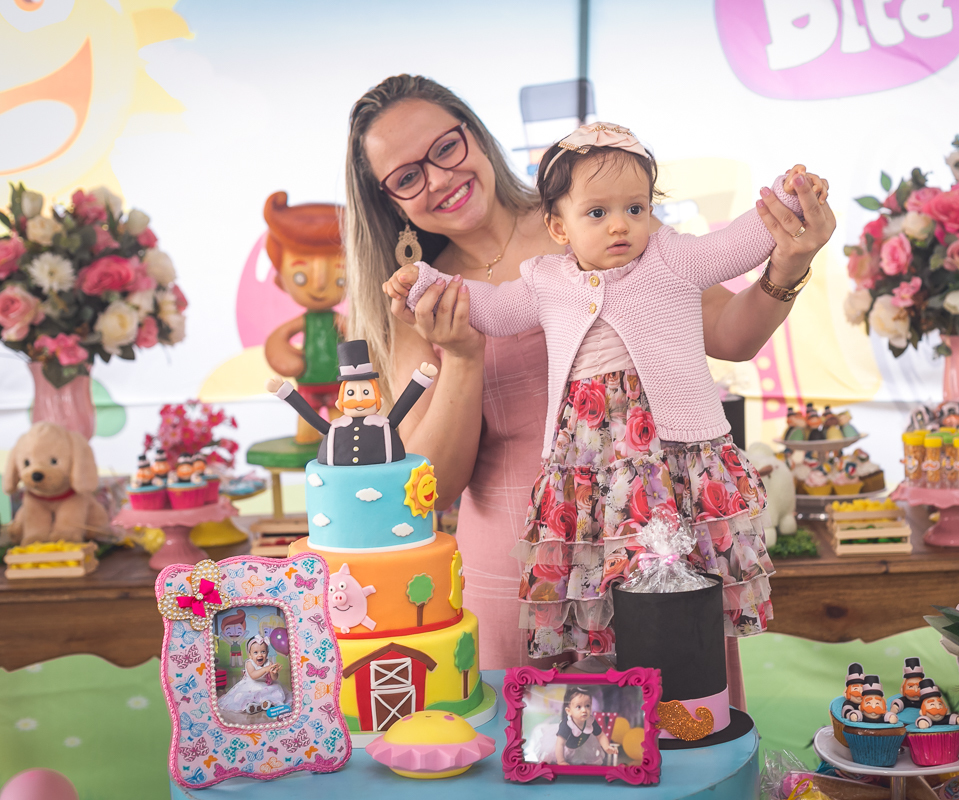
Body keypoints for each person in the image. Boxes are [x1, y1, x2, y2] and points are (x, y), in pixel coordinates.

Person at [342, 76, 835, 691]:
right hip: (522, 566)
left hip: (655, 528)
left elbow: (730, 335)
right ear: (389, 200)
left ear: (475, 134)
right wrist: (464, 357)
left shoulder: (603, 218)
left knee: (682, 723)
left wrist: (787, 261)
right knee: (543, 754)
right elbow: (434, 485)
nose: (438, 177)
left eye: (445, 147)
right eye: (407, 176)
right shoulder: (426, 295)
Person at [266, 339, 437, 466]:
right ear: (340, 402)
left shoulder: (384, 426)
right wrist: (284, 391)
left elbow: (404, 404)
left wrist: (421, 379)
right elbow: (309, 414)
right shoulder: (335, 429)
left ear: (379, 400)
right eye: (351, 393)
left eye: (366, 392)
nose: (359, 399)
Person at [261, 192, 346, 444]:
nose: (319, 285)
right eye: (301, 276)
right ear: (281, 280)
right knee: (307, 429)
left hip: (338, 384)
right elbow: (278, 339)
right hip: (308, 383)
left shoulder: (339, 321)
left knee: (343, 428)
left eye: (339, 277)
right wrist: (287, 357)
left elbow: (358, 335)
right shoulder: (306, 322)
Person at [218, 635, 287, 716]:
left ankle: (265, 703)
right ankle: (252, 706)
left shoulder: (268, 663)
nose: (260, 655)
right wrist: (265, 669)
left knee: (271, 692)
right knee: (247, 696)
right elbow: (253, 675)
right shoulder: (249, 663)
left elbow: (274, 678)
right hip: (251, 686)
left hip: (265, 686)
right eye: (255, 652)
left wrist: (273, 672)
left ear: (267, 653)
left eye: (263, 652)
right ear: (250, 655)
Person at [554, 686, 618, 766]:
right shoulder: (566, 725)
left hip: (580, 746)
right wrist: (561, 761)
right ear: (568, 711)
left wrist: (606, 746)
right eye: (579, 707)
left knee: (581, 762)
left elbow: (600, 735)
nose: (584, 710)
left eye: (587, 706)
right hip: (565, 748)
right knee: (561, 756)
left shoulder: (590, 721)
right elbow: (560, 744)